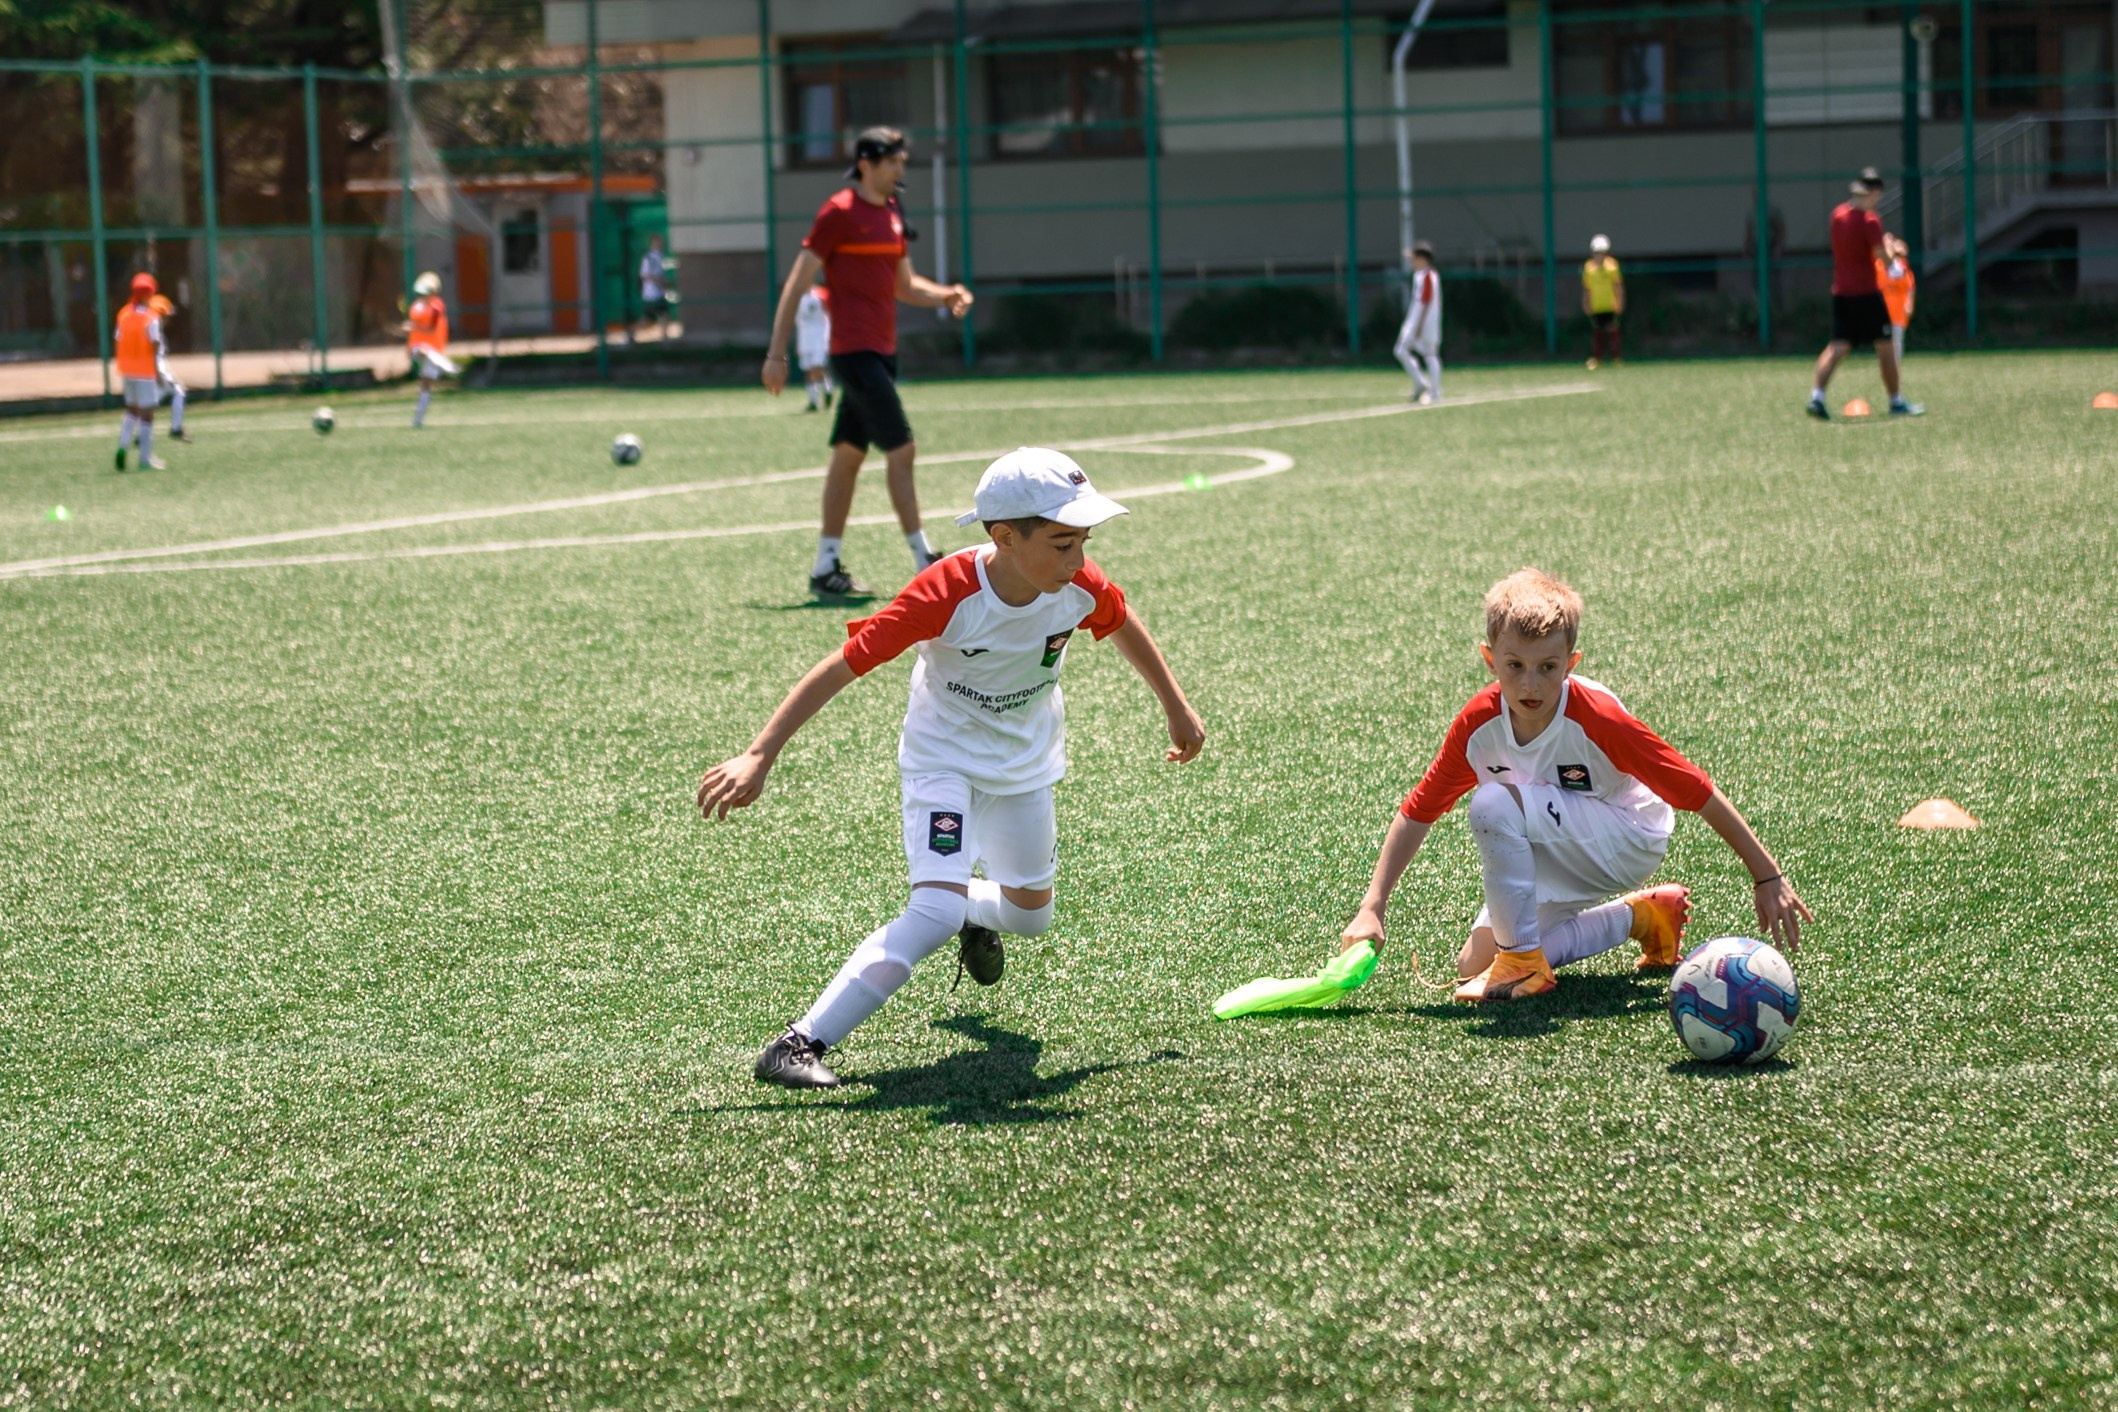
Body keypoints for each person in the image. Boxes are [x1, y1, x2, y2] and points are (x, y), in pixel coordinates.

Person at [696, 448, 1207, 1089]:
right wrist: (759, 753)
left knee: (1030, 916)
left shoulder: (1079, 586)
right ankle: (798, 1043)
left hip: (1024, 766)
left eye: (1083, 541)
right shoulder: (945, 591)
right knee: (932, 911)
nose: (1078, 560)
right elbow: (843, 664)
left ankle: (970, 909)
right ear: (1004, 536)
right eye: (1060, 543)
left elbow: (1120, 620)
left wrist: (1176, 707)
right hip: (943, 763)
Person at [1338, 568, 1811, 1004]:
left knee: (1492, 805)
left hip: (1626, 837)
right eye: (1514, 665)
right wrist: (1372, 906)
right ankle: (1641, 918)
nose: (1531, 684)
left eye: (1547, 667)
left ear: (1571, 661)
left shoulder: (1599, 719)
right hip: (1552, 840)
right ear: (1489, 660)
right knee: (1473, 967)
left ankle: (1525, 963)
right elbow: (1419, 810)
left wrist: (1766, 875)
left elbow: (1697, 790)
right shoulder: (1478, 726)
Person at [763, 126, 974, 600]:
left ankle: (824, 567)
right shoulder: (838, 213)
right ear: (866, 163)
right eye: (893, 162)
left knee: (848, 457)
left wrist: (948, 295)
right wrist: (778, 354)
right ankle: (925, 561)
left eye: (902, 161)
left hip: (882, 351)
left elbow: (905, 285)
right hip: (853, 353)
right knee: (902, 450)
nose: (901, 170)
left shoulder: (893, 213)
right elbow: (797, 284)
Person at [1808, 169, 1921, 420]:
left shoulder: (1837, 216)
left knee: (1837, 346)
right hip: (1867, 293)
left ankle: (1816, 397)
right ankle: (1896, 402)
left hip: (1841, 292)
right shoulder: (1870, 220)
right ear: (1874, 193)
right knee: (1886, 346)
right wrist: (1895, 252)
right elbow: (1881, 256)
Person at [113, 273, 167, 472]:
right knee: (147, 416)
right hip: (144, 371)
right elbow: (154, 344)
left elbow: (118, 339)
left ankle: (122, 446)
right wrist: (157, 371)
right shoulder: (151, 318)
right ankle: (145, 459)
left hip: (126, 369)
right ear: (149, 294)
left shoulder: (124, 314)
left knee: (132, 411)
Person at [404, 271, 458, 429]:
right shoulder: (415, 308)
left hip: (435, 349)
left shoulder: (437, 306)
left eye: (427, 292)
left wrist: (413, 327)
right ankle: (442, 363)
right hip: (419, 347)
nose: (423, 295)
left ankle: (418, 419)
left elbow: (431, 327)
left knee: (426, 383)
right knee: (422, 351)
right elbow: (415, 331)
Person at [1393, 242, 1443, 405]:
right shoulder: (1420, 275)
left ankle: (1435, 393)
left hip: (1425, 323)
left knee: (1430, 354)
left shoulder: (1429, 275)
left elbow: (1426, 301)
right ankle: (1421, 383)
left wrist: (1420, 325)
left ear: (1422, 259)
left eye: (1413, 258)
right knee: (1401, 350)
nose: (1411, 262)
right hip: (1415, 322)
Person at [148, 293, 192, 444]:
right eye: (165, 316)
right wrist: (158, 374)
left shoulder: (152, 330)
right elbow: (154, 357)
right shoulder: (154, 332)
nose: (168, 320)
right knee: (179, 391)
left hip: (152, 370)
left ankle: (141, 434)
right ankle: (176, 428)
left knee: (151, 401)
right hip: (156, 370)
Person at [1581, 234, 1624, 370]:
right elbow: (1587, 288)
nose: (1598, 255)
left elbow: (1617, 286)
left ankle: (1615, 358)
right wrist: (1586, 303)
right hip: (1596, 306)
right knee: (1597, 333)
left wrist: (1620, 301)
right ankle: (1596, 358)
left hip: (1609, 305)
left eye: (1601, 252)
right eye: (1596, 252)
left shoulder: (1612, 267)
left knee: (1612, 331)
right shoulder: (1589, 268)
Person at [794, 279, 835, 413]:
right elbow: (798, 322)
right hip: (805, 339)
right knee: (808, 369)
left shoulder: (821, 295)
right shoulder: (797, 298)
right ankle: (813, 402)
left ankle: (828, 389)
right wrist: (798, 343)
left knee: (817, 367)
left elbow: (831, 314)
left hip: (820, 337)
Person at [1878, 234, 1916, 367]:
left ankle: (1895, 367)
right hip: (1883, 307)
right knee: (1883, 340)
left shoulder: (1901, 264)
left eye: (1891, 240)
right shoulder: (1878, 263)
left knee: (1897, 339)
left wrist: (1909, 303)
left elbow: (1910, 285)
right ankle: (1886, 366)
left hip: (1898, 308)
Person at [635, 233, 672, 344]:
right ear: (652, 243)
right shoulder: (648, 257)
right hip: (650, 294)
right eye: (657, 241)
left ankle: (664, 338)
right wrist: (658, 281)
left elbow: (662, 274)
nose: (659, 243)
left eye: (660, 241)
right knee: (647, 318)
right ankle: (633, 335)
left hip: (659, 293)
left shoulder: (661, 256)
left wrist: (664, 283)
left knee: (665, 314)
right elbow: (644, 275)